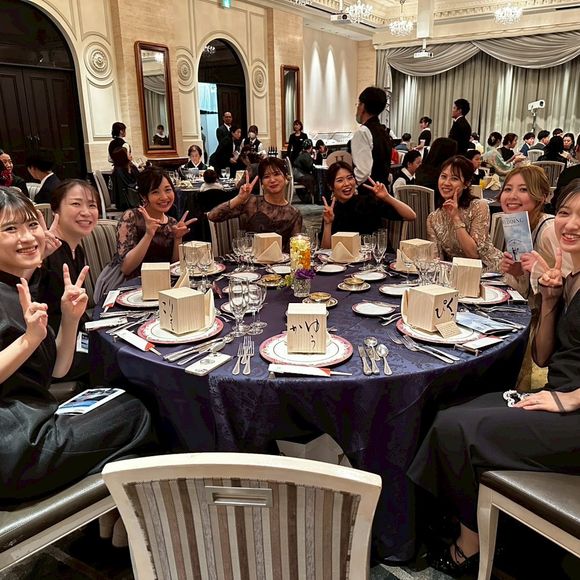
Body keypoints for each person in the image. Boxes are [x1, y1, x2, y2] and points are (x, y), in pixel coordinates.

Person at [408, 180, 580, 577]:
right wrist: (551, 301)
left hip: (573, 416)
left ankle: (470, 547)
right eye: (566, 213)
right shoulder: (571, 273)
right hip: (555, 396)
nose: (570, 224)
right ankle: (471, 518)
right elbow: (542, 356)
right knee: (445, 406)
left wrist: (574, 398)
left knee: (455, 428)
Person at [0, 185, 153, 502]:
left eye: (32, 224)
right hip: (18, 449)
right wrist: (29, 340)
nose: (27, 237)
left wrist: (70, 318)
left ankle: (115, 513)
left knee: (129, 400)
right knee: (140, 410)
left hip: (35, 426)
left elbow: (58, 370)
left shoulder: (19, 287)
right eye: (10, 229)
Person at [94, 167, 195, 300]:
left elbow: (174, 266)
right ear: (143, 196)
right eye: (155, 192)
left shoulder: (172, 222)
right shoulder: (131, 217)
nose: (164, 197)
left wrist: (178, 238)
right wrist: (148, 234)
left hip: (160, 284)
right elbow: (126, 268)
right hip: (129, 286)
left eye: (168, 190)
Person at [36, 179, 101, 381]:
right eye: (76, 204)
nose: (86, 212)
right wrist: (37, 258)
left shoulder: (76, 250)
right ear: (56, 209)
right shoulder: (44, 253)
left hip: (76, 336)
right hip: (53, 350)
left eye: (92, 205)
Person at [499, 165, 572, 299]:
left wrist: (540, 271)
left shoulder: (550, 230)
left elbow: (574, 283)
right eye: (508, 189)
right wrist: (517, 272)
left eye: (523, 189)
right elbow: (525, 295)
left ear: (542, 197)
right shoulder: (518, 227)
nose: (512, 196)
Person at [208, 158, 302, 251]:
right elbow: (213, 216)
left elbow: (294, 251)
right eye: (266, 176)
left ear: (286, 178)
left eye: (276, 174)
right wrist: (239, 198)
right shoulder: (252, 202)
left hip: (278, 260)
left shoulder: (294, 214)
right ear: (262, 184)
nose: (272, 180)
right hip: (247, 258)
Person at [426, 155, 502, 270]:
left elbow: (474, 254)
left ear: (466, 183)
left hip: (489, 270)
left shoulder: (479, 207)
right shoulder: (433, 218)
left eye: (454, 179)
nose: (446, 183)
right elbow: (436, 261)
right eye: (443, 176)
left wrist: (456, 218)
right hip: (457, 273)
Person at [320, 161, 416, 249]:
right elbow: (325, 250)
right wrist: (328, 224)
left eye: (350, 178)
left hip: (375, 258)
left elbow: (411, 216)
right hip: (343, 261)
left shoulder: (368, 202)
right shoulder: (331, 210)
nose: (347, 184)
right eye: (340, 180)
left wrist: (387, 197)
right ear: (330, 186)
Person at [351, 86, 392, 190]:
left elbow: (363, 172)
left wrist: (351, 186)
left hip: (367, 193)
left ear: (363, 106)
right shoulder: (383, 131)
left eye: (358, 104)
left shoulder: (363, 132)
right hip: (382, 190)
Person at [293, 139, 317, 203]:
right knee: (313, 178)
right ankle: (312, 198)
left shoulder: (302, 153)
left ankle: (309, 198)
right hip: (299, 175)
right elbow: (310, 167)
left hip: (296, 174)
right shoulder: (306, 155)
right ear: (311, 147)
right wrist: (315, 155)